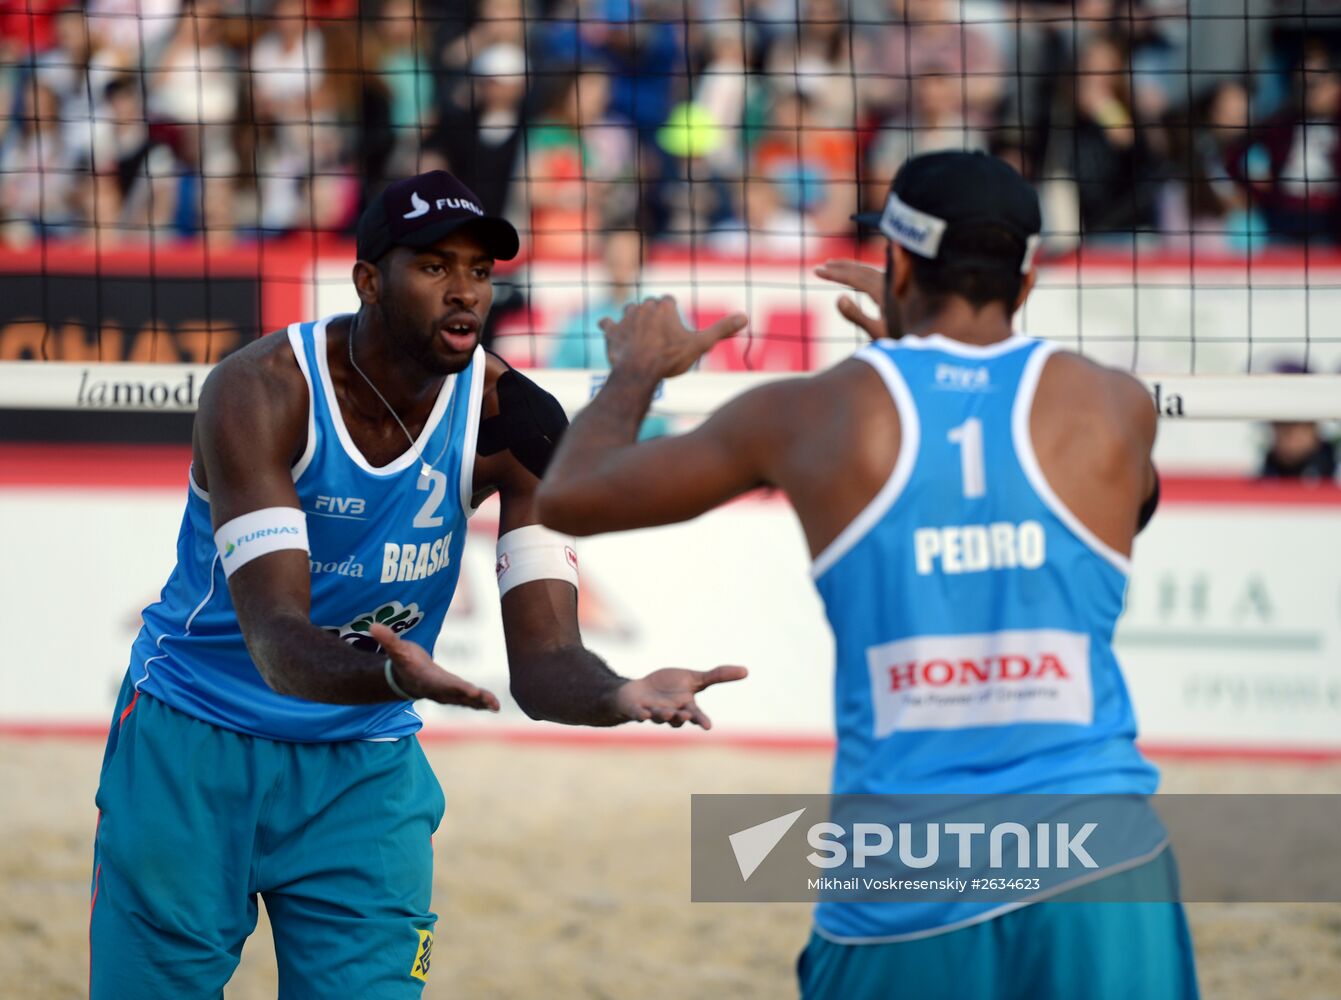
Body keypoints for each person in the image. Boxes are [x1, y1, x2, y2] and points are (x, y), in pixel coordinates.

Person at [536, 151, 1197, 999]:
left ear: (897, 263)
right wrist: (924, 365)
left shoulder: (818, 414)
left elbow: (572, 497)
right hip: (1101, 864)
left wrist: (635, 369)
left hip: (905, 875)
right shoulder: (1114, 407)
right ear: (1024, 282)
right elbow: (1116, 511)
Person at [89, 169, 746, 999]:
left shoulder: (515, 419)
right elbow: (278, 645)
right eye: (435, 267)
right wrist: (394, 672)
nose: (465, 290)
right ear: (369, 279)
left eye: (479, 269)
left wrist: (619, 692)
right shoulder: (261, 390)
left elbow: (543, 668)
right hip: (194, 740)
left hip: (362, 763)